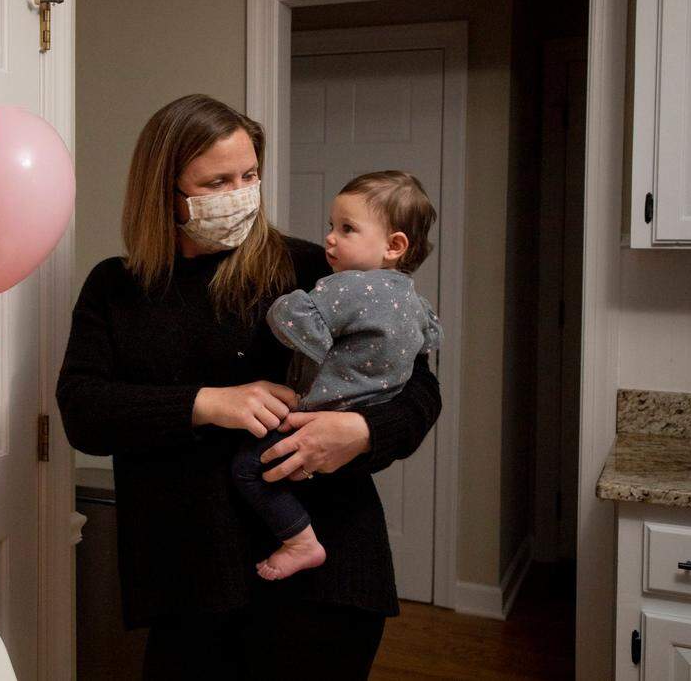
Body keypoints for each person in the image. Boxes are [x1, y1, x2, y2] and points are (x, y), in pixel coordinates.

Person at [56, 94, 441, 680]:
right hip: (186, 580)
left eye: (250, 175)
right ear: (164, 190)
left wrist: (359, 432)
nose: (240, 192)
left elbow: (418, 390)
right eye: (216, 182)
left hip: (326, 575)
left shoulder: (314, 269)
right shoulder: (117, 288)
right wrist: (206, 403)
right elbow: (84, 411)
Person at [232, 171, 442, 582]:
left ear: (395, 245)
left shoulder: (343, 287)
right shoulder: (414, 300)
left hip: (317, 415)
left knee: (249, 468)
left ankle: (300, 541)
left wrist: (286, 304)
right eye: (332, 226)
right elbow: (428, 343)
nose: (330, 238)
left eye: (346, 229)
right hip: (362, 428)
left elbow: (291, 321)